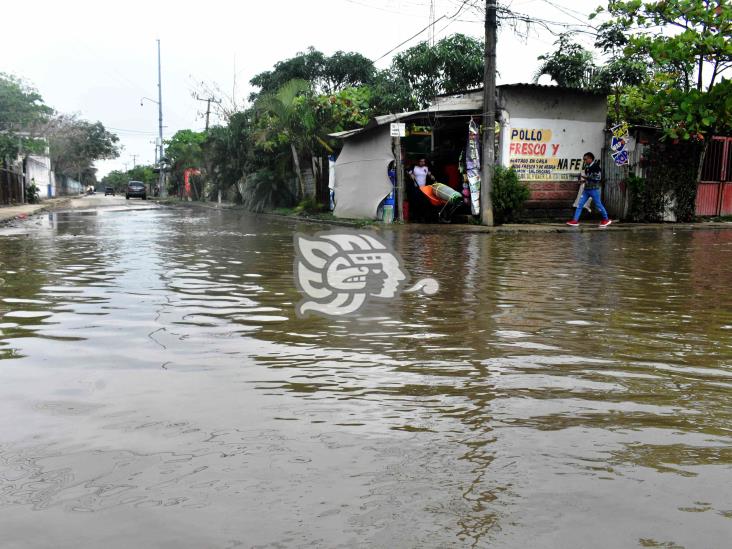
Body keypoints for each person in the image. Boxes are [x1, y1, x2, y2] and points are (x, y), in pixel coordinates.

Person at [566, 152, 612, 228]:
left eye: (585, 159)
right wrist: (583, 181)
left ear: (590, 159)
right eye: (584, 159)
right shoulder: (587, 167)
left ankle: (606, 219)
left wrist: (585, 178)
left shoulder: (596, 167)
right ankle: (575, 220)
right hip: (586, 189)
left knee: (598, 205)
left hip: (594, 189)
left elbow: (597, 178)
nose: (584, 161)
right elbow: (589, 178)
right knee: (580, 204)